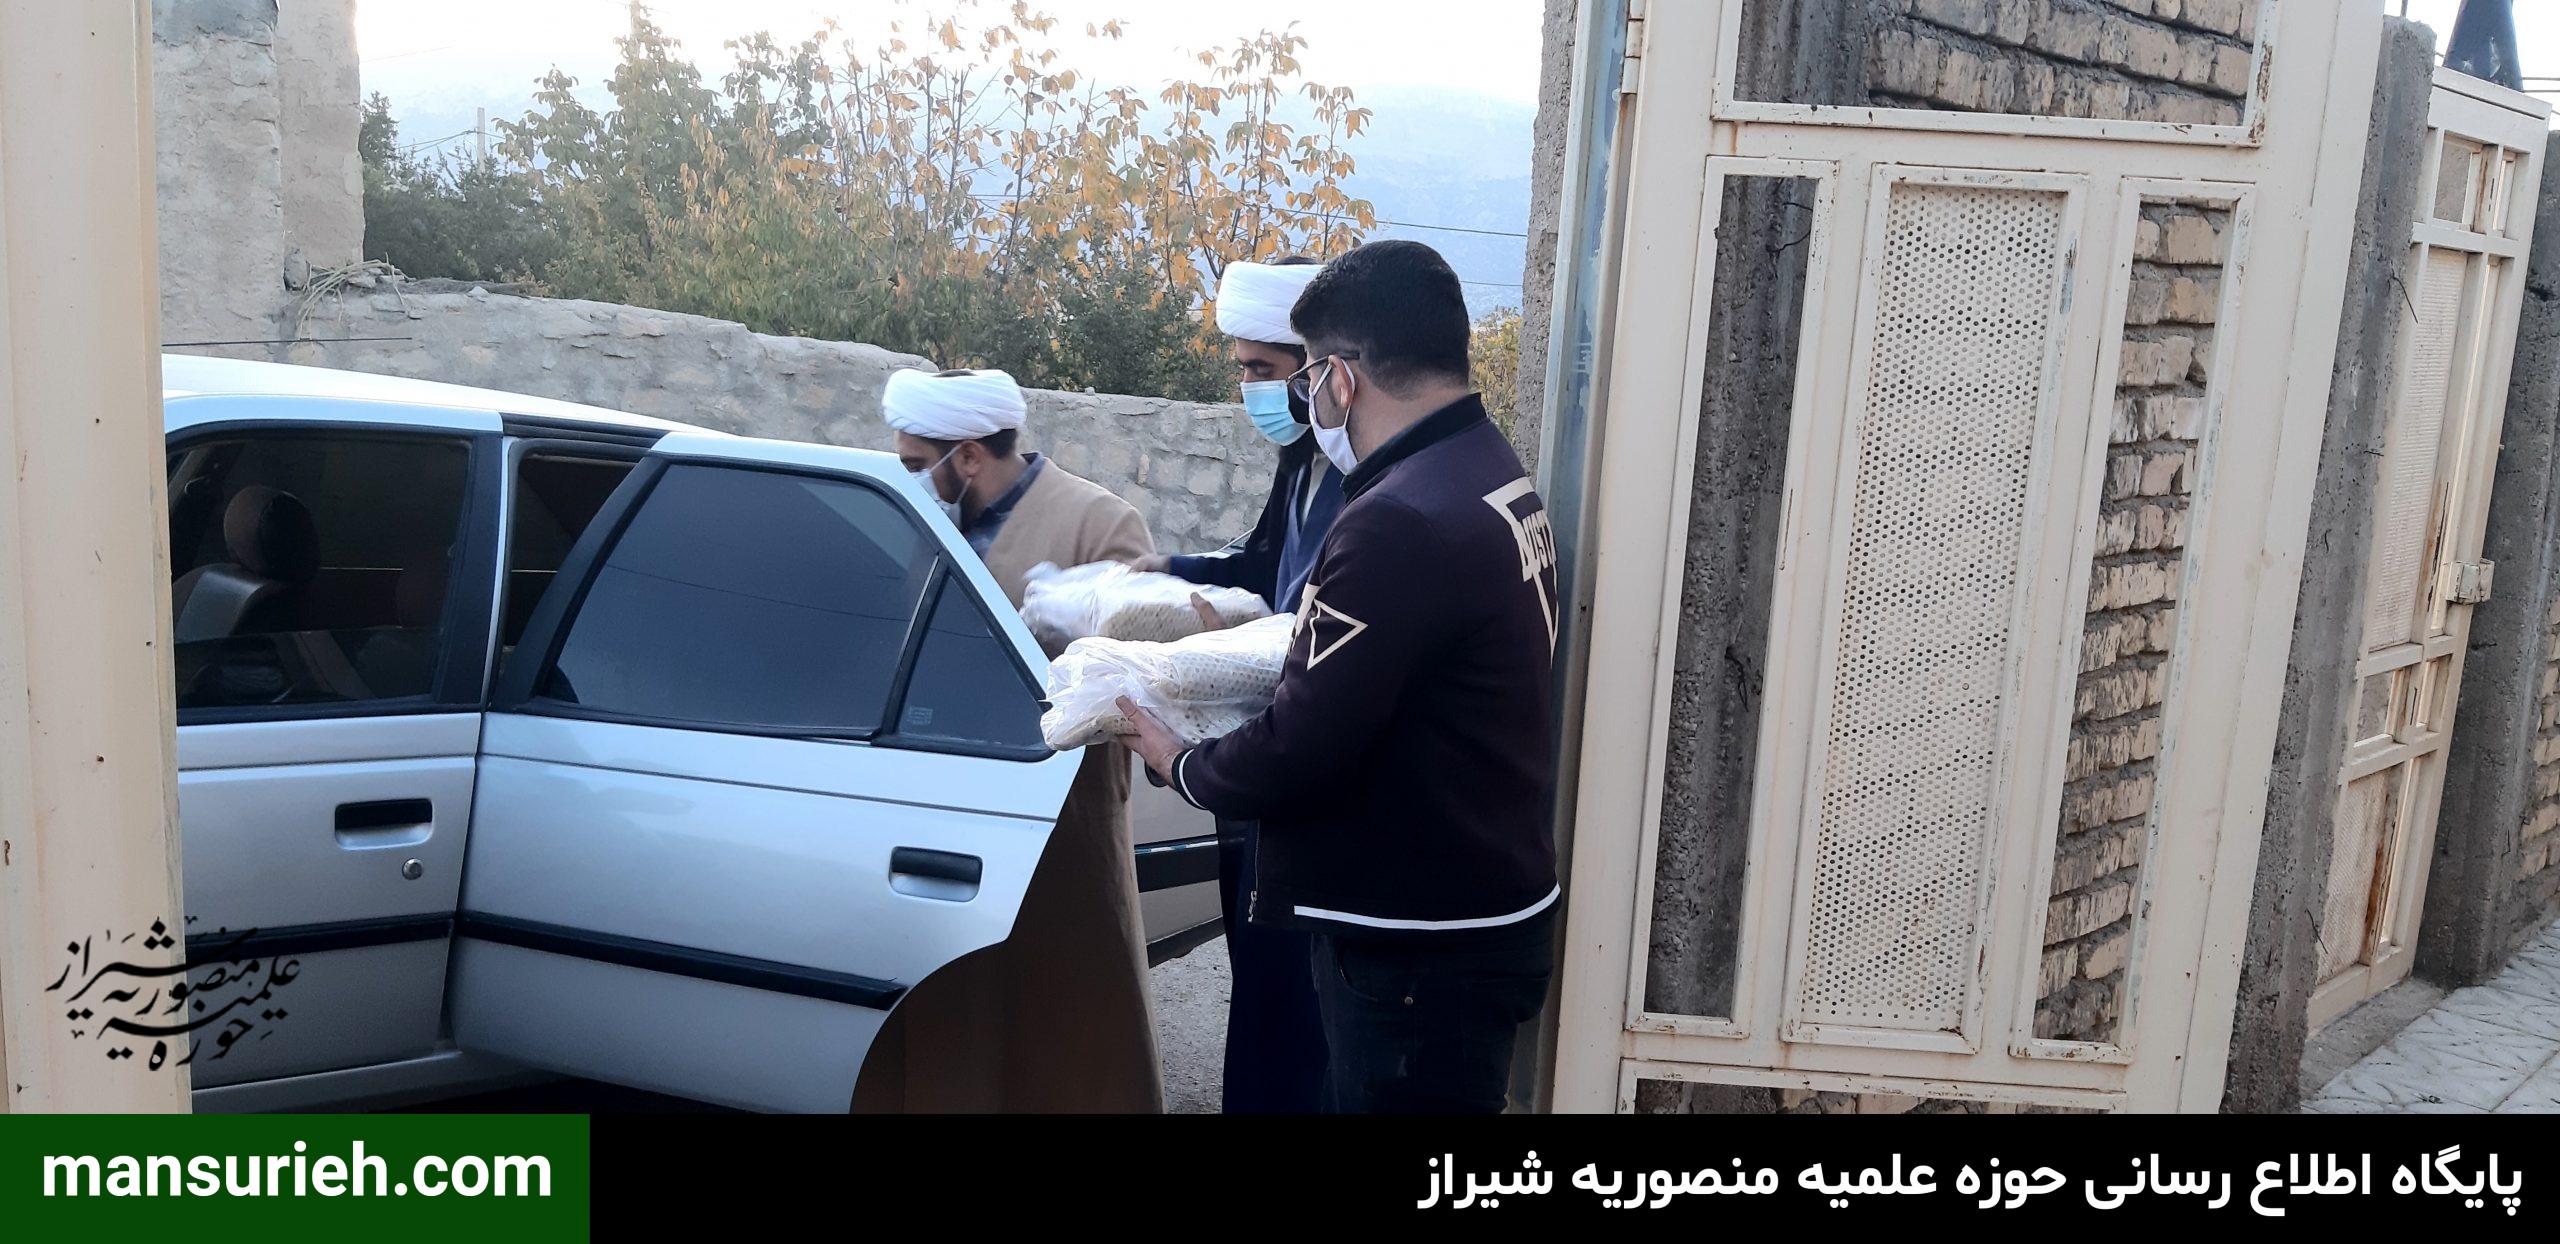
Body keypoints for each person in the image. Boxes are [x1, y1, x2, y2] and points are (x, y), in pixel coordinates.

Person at [1118, 241, 1562, 1114]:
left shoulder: (1397, 519)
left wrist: (1179, 760)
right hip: (1474, 911)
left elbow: (1299, 746)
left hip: (1415, 950)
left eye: (1309, 374)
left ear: (1341, 378)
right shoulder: (1487, 468)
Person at [852, 366, 1164, 1113]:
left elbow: (1142, 678)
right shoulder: (924, 519)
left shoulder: (1099, 523)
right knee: (946, 1025)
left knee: (1064, 1029)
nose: (908, 478)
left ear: (967, 456)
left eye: (916, 463)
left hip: (1056, 827)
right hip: (936, 814)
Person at [1133, 258, 1343, 1114]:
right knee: (1258, 993)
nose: (1250, 389)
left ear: (1316, 369)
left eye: (1262, 368)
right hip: (1257, 779)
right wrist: (1165, 571)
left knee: (1296, 1018)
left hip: (1298, 777)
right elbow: (1263, 564)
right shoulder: (1302, 463)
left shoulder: (1365, 481)